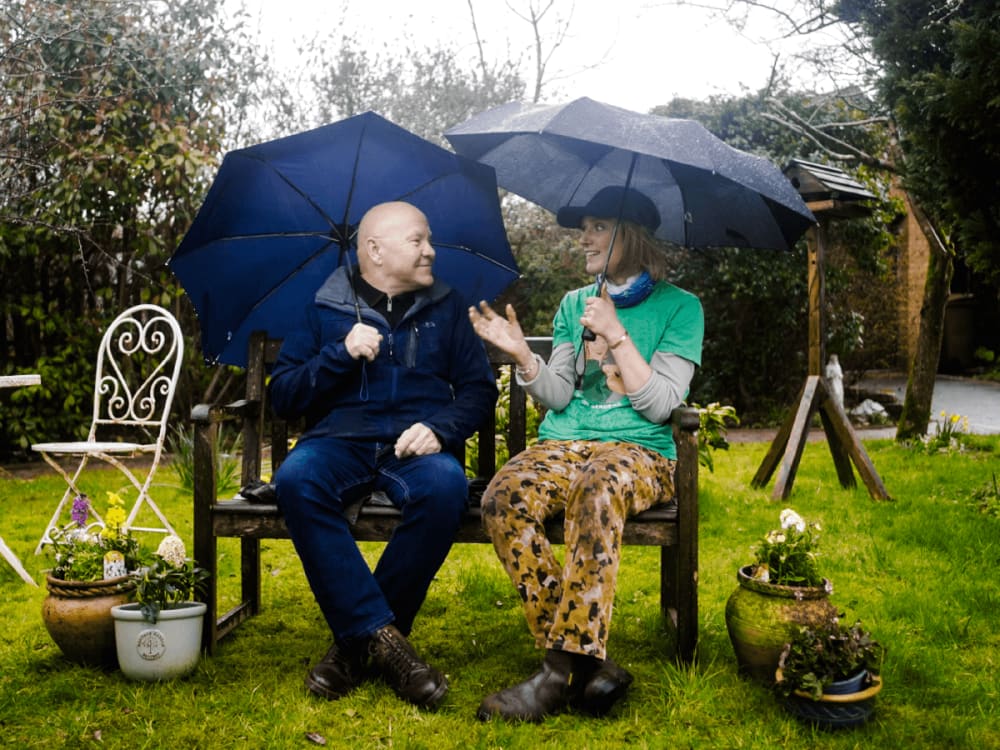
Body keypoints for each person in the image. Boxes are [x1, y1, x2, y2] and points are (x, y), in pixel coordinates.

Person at [468, 186, 704, 721]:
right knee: (503, 498)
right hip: (564, 442)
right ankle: (590, 666)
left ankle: (556, 672)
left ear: (632, 235)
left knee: (596, 489)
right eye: (585, 227)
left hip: (639, 451)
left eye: (598, 226)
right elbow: (558, 394)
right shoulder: (576, 303)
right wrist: (524, 356)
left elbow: (662, 404)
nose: (585, 238)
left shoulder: (682, 309)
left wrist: (618, 335)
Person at [269, 201, 498, 710]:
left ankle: (354, 645)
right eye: (418, 240)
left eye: (429, 239)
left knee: (445, 488)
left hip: (415, 447)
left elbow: (480, 392)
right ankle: (388, 644)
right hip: (338, 443)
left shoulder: (446, 307)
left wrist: (440, 429)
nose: (430, 250)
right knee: (296, 480)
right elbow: (283, 394)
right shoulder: (325, 308)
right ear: (374, 249)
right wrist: (339, 354)